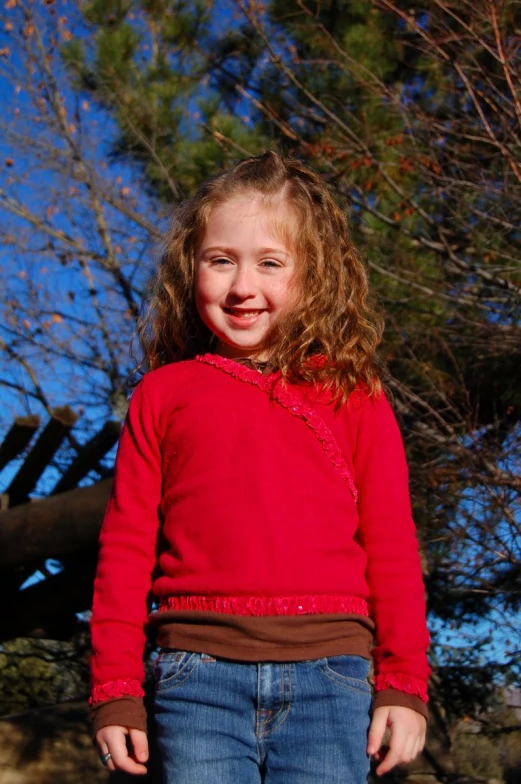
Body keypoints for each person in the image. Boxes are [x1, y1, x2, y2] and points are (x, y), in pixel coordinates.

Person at [90, 151, 430, 783]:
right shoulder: (164, 395)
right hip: (194, 676)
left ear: (314, 276)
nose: (243, 286)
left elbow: (391, 545)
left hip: (334, 678)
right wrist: (115, 686)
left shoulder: (354, 394)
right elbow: (126, 547)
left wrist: (403, 681)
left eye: (271, 263)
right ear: (191, 269)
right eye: (221, 260)